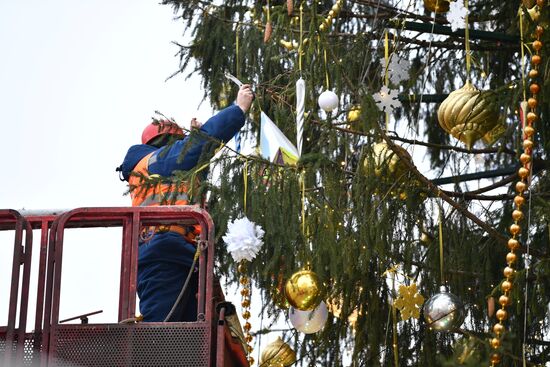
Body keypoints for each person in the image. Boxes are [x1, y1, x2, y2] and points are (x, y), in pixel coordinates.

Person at [118, 84, 254, 322]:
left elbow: (190, 172)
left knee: (186, 340)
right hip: (163, 254)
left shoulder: (164, 166)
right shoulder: (151, 162)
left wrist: (194, 139)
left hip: (182, 255)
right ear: (166, 142)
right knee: (159, 339)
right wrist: (238, 109)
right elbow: (189, 153)